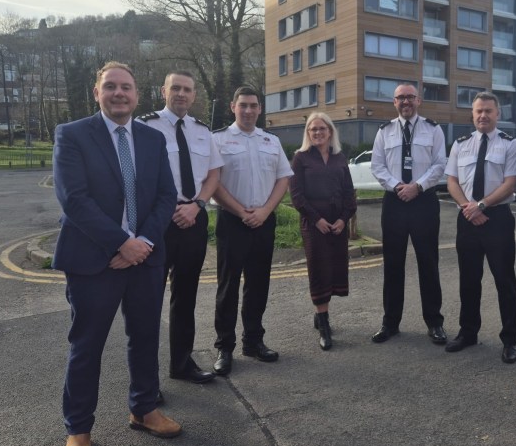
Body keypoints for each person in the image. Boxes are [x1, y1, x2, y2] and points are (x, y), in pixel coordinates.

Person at [53, 61, 180, 446]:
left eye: (126, 87)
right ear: (97, 93)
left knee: (144, 337)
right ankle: (78, 429)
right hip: (94, 260)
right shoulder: (72, 135)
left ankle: (143, 409)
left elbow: (167, 196)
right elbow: (74, 200)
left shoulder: (152, 138)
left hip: (145, 258)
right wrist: (121, 242)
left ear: (137, 95)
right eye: (111, 86)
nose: (119, 93)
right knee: (86, 346)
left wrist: (141, 244)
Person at [138, 71, 222, 385]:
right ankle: (147, 381)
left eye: (187, 89)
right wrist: (163, 210)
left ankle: (182, 364)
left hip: (193, 218)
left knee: (186, 296)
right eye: (176, 88)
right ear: (164, 91)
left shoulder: (202, 131)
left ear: (194, 95)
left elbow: (214, 174)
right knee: (148, 300)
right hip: (157, 221)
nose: (182, 94)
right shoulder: (144, 126)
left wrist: (198, 204)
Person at [210, 87, 293, 375]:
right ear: (233, 107)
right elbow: (213, 182)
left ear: (259, 109)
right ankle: (224, 347)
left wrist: (265, 211)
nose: (248, 110)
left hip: (263, 220)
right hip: (232, 221)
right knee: (228, 286)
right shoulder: (218, 139)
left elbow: (283, 179)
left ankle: (253, 341)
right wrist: (241, 211)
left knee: (258, 284)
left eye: (253, 105)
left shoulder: (271, 140)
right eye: (243, 105)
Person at [444, 92, 516, 363]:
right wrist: (468, 207)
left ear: (497, 114)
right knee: (468, 280)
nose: (483, 115)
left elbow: (511, 183)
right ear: (473, 114)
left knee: (504, 280)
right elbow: (452, 181)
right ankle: (468, 332)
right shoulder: (461, 144)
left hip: (497, 219)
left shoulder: (510, 144)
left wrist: (482, 205)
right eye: (478, 111)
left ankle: (511, 339)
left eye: (488, 111)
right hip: (467, 218)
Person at [369, 83, 447, 345]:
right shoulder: (384, 131)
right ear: (394, 102)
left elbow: (440, 164)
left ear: (418, 101)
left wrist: (418, 186)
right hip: (394, 202)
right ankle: (390, 323)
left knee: (428, 263)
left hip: (424, 201)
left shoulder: (433, 129)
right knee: (393, 264)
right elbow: (377, 165)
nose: (405, 102)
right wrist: (397, 186)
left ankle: (434, 322)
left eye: (410, 97)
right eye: (400, 98)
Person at [289, 113, 357, 350]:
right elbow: (296, 195)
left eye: (321, 129)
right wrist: (316, 219)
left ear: (330, 132)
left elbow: (349, 192)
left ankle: (320, 316)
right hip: (314, 223)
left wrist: (343, 219)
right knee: (319, 270)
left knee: (335, 269)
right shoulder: (300, 158)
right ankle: (324, 323)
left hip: (337, 223)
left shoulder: (339, 158)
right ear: (307, 133)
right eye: (313, 129)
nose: (317, 133)